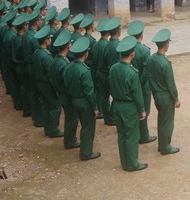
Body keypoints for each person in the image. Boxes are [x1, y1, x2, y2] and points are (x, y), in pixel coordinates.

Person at [109, 35, 147, 172]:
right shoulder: (132, 72)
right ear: (132, 54)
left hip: (117, 105)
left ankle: (124, 162)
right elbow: (137, 94)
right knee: (132, 136)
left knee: (122, 135)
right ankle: (132, 163)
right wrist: (141, 109)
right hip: (129, 107)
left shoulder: (113, 68)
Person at [64, 36, 100, 160]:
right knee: (87, 127)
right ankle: (86, 152)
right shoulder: (85, 71)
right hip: (84, 102)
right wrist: (95, 107)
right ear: (86, 54)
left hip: (73, 100)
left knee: (81, 124)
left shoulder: (68, 67)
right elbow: (89, 92)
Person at [148, 28, 181, 155]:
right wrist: (176, 99)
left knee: (161, 120)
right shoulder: (165, 63)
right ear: (166, 45)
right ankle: (165, 147)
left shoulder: (151, 59)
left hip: (156, 95)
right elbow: (170, 84)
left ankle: (161, 145)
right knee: (167, 122)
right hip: (165, 96)